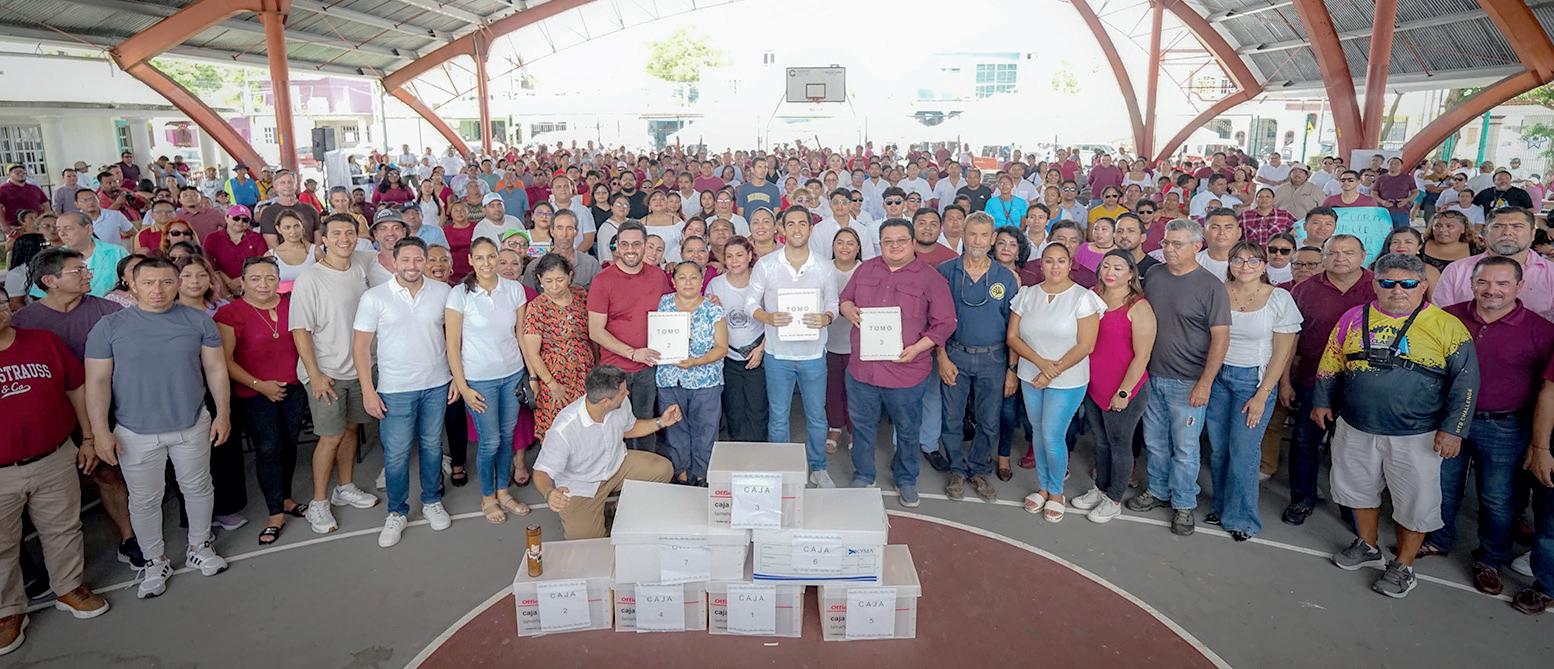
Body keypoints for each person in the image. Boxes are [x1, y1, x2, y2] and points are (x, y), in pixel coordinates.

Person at [1315, 253, 1478, 599]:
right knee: (1357, 489)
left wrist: (1454, 429)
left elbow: (1466, 382)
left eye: (1407, 283)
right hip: (1356, 426)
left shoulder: (1447, 326)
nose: (1397, 290)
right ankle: (1367, 545)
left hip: (1417, 433)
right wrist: (1321, 400)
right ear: (1375, 284)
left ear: (1423, 286)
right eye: (1388, 282)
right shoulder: (1352, 317)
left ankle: (1404, 565)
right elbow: (1331, 361)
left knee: (1415, 503)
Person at [84, 257, 232, 599]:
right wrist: (100, 432)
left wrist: (222, 413)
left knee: (198, 486)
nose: (158, 290)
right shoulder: (109, 326)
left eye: (166, 282)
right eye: (148, 283)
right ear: (132, 285)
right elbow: (97, 381)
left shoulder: (198, 320)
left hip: (191, 421)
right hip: (134, 431)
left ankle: (199, 546)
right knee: (144, 499)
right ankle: (154, 560)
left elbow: (215, 369)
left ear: (177, 284)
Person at [1419, 257, 1554, 594]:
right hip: (1449, 421)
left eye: (1503, 283)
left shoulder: (1541, 331)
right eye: (1483, 282)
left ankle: (1490, 560)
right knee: (1443, 486)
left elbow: (1546, 389)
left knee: (1497, 498)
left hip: (1505, 426)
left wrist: (1537, 442)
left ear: (1520, 286)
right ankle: (1439, 539)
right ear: (1472, 284)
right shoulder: (1446, 317)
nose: (1492, 290)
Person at [0, 284, 112, 654]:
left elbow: (76, 388)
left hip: (53, 456)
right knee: (1, 544)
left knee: (63, 528)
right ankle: (8, 611)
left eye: (2, 303)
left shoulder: (42, 342)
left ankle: (69, 587)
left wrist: (89, 437)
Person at [839, 218, 956, 507]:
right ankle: (863, 474)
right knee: (862, 427)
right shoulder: (866, 269)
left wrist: (917, 348)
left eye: (901, 240)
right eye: (888, 241)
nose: (894, 246)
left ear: (913, 243)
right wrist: (848, 309)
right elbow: (845, 299)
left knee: (907, 430)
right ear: (880, 244)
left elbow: (944, 323)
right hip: (863, 371)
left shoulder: (931, 278)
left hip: (906, 373)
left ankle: (906, 479)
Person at [1127, 218, 1231, 537]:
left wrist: (1205, 382)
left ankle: (1184, 502)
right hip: (1152, 375)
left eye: (1177, 244)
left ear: (1197, 246)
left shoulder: (1211, 286)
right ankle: (1158, 490)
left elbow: (1221, 338)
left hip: (1188, 381)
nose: (1169, 249)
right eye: (1166, 243)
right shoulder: (1155, 275)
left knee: (1185, 448)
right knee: (1155, 442)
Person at [288, 215, 389, 535]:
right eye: (336, 234)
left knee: (350, 430)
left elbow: (390, 250)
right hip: (326, 373)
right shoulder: (310, 279)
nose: (344, 239)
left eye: (349, 233)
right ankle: (318, 502)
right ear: (324, 240)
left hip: (359, 369)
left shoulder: (361, 261)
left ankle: (344, 487)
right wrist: (315, 374)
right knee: (329, 436)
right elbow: (300, 331)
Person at [353, 237, 455, 548]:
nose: (412, 266)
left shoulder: (443, 292)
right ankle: (396, 512)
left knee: (432, 446)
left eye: (418, 259)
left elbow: (454, 337)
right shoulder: (374, 297)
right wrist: (368, 391)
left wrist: (455, 377)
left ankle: (432, 500)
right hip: (394, 389)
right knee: (396, 453)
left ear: (426, 261)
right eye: (406, 260)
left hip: (436, 383)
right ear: (394, 262)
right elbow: (360, 348)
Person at [1204, 241, 1301, 541]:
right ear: (1229, 264)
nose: (1245, 266)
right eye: (1238, 260)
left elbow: (1281, 354)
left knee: (1244, 452)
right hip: (1218, 377)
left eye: (1252, 260)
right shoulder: (1218, 292)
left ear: (1263, 265)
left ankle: (1243, 518)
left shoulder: (1279, 298)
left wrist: (1262, 395)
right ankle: (1222, 507)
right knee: (1219, 449)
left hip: (1253, 381)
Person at [1008, 241, 1103, 521]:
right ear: (1041, 264)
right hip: (1030, 375)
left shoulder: (1083, 298)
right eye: (1049, 260)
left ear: (1070, 264)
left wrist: (1051, 371)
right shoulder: (1027, 294)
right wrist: (1041, 365)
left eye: (1061, 260)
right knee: (1038, 432)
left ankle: (1057, 491)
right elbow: (1013, 337)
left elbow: (1086, 345)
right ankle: (1043, 486)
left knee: (1052, 434)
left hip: (1068, 379)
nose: (1055, 266)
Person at [214, 258, 305, 545]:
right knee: (268, 449)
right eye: (255, 278)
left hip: (293, 388)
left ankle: (285, 498)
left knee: (289, 444)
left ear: (278, 280)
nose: (263, 284)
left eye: (270, 278)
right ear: (242, 282)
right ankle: (275, 512)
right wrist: (259, 385)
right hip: (254, 393)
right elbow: (225, 361)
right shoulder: (230, 313)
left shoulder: (292, 304)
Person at [534, 365, 679, 539]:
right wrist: (549, 493)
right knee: (587, 543)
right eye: (623, 392)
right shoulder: (564, 430)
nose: (627, 393)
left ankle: (620, 508)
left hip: (617, 466)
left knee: (663, 469)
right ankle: (598, 512)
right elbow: (541, 472)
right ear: (606, 402)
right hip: (582, 486)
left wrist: (661, 422)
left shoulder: (620, 403)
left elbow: (630, 429)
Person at [445, 237, 532, 524]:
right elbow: (452, 345)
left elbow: (521, 336)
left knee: (507, 437)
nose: (486, 263)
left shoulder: (514, 289)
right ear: (470, 260)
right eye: (480, 257)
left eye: (491, 256)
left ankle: (503, 491)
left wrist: (531, 375)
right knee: (489, 441)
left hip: (512, 375)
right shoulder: (459, 295)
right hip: (479, 380)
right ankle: (488, 497)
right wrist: (463, 386)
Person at [750, 207, 839, 487]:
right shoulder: (766, 265)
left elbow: (833, 303)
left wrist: (826, 317)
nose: (797, 229)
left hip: (813, 355)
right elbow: (750, 303)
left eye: (803, 223)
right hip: (778, 355)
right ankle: (781, 469)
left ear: (811, 229)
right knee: (778, 416)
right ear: (782, 229)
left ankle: (818, 467)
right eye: (791, 224)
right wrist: (767, 317)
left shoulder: (824, 266)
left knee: (817, 415)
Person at [936, 213, 1018, 503]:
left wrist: (1012, 370)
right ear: (963, 235)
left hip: (993, 359)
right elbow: (935, 320)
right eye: (972, 234)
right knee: (952, 417)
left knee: (989, 419)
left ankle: (979, 469)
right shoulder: (946, 272)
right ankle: (957, 469)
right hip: (955, 354)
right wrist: (941, 357)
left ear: (993, 239)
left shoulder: (1005, 278)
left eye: (984, 235)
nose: (978, 241)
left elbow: (1014, 327)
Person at [1073, 250, 1155, 523]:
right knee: (1101, 442)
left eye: (1118, 267)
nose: (1110, 272)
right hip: (1094, 385)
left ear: (1131, 273)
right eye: (1106, 266)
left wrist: (1124, 392)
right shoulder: (1092, 297)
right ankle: (1100, 489)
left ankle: (1114, 498)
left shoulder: (1139, 307)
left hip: (1123, 388)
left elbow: (1142, 356)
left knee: (1120, 444)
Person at [588, 221, 671, 452]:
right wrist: (633, 353)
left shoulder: (658, 276)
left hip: (649, 366)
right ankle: (615, 471)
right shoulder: (602, 280)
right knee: (614, 427)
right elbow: (595, 330)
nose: (630, 250)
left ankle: (645, 471)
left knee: (645, 421)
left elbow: (671, 313)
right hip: (614, 370)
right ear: (616, 246)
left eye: (636, 244)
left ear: (645, 245)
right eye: (624, 244)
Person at [655, 261, 728, 485]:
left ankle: (702, 473)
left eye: (694, 277)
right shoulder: (663, 304)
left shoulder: (713, 309)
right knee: (675, 426)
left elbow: (722, 348)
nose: (688, 282)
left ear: (702, 280)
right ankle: (682, 471)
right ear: (673, 281)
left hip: (706, 379)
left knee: (705, 428)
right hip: (670, 378)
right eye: (682, 277)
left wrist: (696, 361)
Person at [522, 253, 595, 444]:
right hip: (554, 377)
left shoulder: (581, 295)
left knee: (585, 428)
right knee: (557, 432)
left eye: (560, 280)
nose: (554, 286)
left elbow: (592, 334)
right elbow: (532, 352)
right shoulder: (537, 307)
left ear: (570, 276)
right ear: (539, 279)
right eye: (548, 281)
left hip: (584, 373)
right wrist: (551, 384)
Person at [1435, 208, 1554, 321]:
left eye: (1517, 226)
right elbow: (1439, 321)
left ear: (1533, 233)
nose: (1507, 232)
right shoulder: (1456, 270)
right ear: (1485, 233)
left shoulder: (1551, 273)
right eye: (1498, 226)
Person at [706, 236, 767, 443]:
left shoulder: (761, 283)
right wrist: (713, 308)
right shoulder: (715, 285)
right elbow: (708, 323)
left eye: (739, 255)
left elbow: (773, 319)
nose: (734, 261)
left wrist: (761, 349)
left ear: (749, 256)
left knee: (758, 407)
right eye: (729, 256)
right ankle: (737, 451)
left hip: (758, 354)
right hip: (728, 357)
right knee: (734, 408)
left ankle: (759, 449)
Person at [52, 212, 127, 298]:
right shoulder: (54, 257)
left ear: (88, 229)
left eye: (68, 228)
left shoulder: (116, 252)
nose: (62, 234)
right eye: (58, 229)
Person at [522, 209, 600, 289]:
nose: (564, 234)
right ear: (552, 231)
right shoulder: (534, 266)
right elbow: (529, 294)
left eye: (569, 228)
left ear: (576, 232)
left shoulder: (591, 264)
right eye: (560, 228)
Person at [203, 205, 267, 294]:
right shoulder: (212, 238)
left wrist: (241, 280)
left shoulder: (256, 238)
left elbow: (262, 262)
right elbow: (208, 264)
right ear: (226, 218)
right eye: (236, 218)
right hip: (220, 286)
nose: (240, 222)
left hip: (252, 286)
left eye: (245, 220)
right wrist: (227, 283)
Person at [256, 172, 321, 248]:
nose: (288, 185)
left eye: (290, 182)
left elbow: (318, 235)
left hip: (311, 253)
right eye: (283, 183)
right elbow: (272, 244)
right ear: (275, 187)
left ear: (295, 186)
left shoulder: (310, 209)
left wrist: (313, 253)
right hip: (282, 254)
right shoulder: (268, 213)